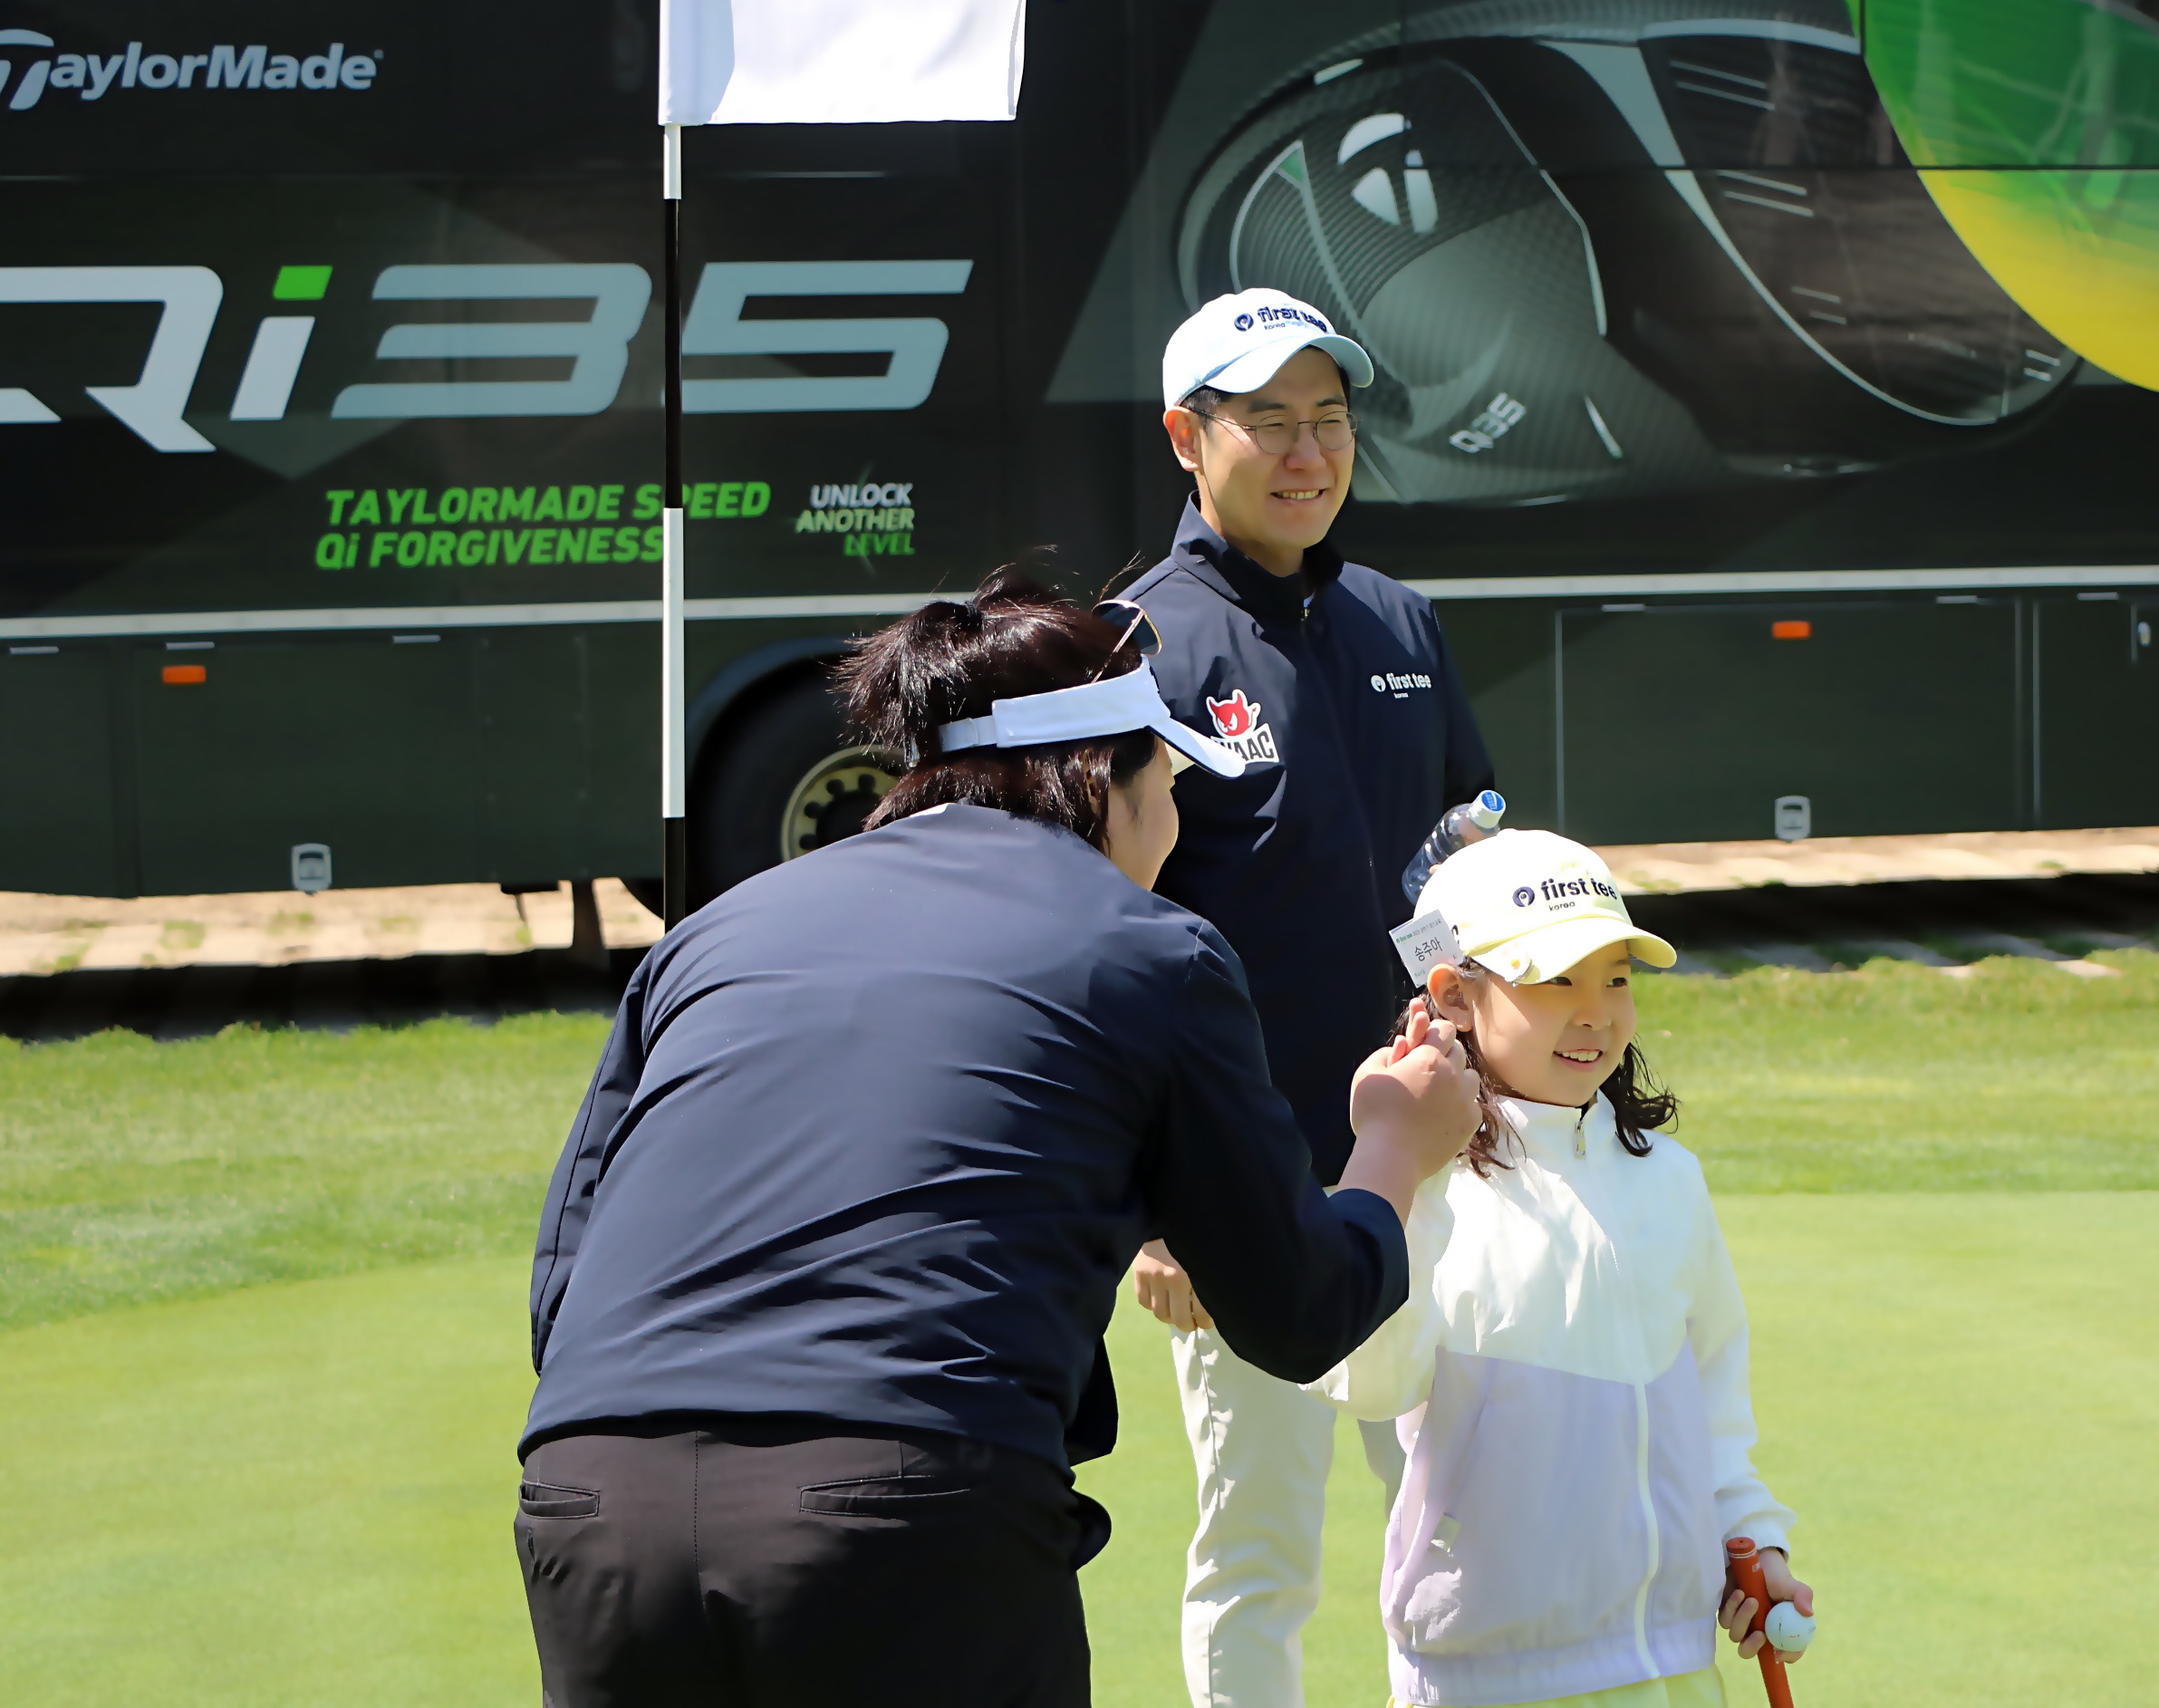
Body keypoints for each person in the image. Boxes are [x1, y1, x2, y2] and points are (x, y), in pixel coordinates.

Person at [512, 569, 1484, 1708]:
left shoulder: (708, 935)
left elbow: (560, 1297)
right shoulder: (1152, 947)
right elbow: (1303, 1310)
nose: (1174, 825)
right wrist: (1393, 1144)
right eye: (1171, 780)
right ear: (1107, 776)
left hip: (591, 1505)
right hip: (904, 1504)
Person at [1114, 287, 1498, 1708]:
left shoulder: (1400, 620)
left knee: (1456, 1524)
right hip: (1241, 1191)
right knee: (1261, 1557)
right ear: (1186, 437)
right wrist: (1156, 1206)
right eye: (1266, 419)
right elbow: (1111, 947)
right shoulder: (1136, 649)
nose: (1306, 451)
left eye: (1328, 418)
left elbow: (1469, 847)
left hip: (1429, 1172)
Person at [1310, 829, 1814, 1708]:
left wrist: (1751, 1536)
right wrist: (1399, 1169)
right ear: (1453, 995)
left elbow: (1713, 1403)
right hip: (1486, 1675)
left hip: (1673, 1661)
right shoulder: (1427, 1188)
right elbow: (1369, 1382)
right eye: (1554, 979)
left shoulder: (1670, 1178)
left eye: (1615, 978)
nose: (1596, 1013)